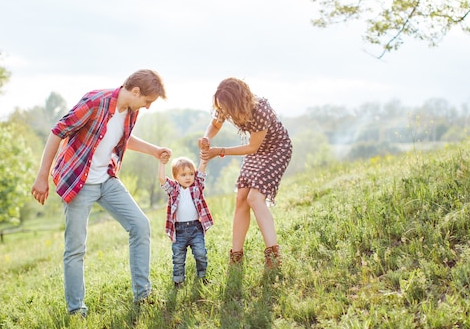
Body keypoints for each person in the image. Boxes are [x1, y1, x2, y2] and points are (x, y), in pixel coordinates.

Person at [30, 69, 170, 316]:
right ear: (135, 91)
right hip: (78, 182)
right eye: (147, 101)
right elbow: (57, 131)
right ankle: (76, 310)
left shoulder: (131, 112)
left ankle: (143, 296)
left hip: (106, 179)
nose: (147, 107)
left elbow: (123, 138)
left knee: (140, 225)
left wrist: (154, 150)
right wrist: (42, 176)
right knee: (75, 247)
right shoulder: (96, 101)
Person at [199, 77, 292, 268]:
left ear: (238, 102)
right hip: (257, 150)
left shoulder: (260, 110)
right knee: (241, 197)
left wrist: (220, 151)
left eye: (226, 108)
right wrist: (206, 137)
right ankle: (236, 256)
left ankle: (273, 255)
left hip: (276, 150)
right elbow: (215, 124)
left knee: (255, 198)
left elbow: (251, 147)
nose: (224, 112)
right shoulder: (226, 104)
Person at [158, 154, 214, 287]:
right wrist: (162, 163)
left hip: (196, 228)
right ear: (175, 177)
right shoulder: (173, 190)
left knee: (201, 253)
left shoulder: (197, 186)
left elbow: (201, 171)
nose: (188, 177)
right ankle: (178, 280)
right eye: (183, 175)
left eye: (190, 174)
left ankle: (203, 276)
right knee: (178, 257)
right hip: (179, 230)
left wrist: (204, 159)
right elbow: (161, 179)